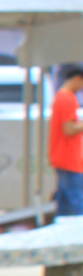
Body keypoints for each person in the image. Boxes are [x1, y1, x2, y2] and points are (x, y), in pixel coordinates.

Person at [49, 64, 83, 218]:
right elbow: (69, 129)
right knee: (75, 199)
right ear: (77, 79)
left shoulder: (61, 96)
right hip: (69, 158)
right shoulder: (67, 98)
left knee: (64, 200)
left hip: (62, 157)